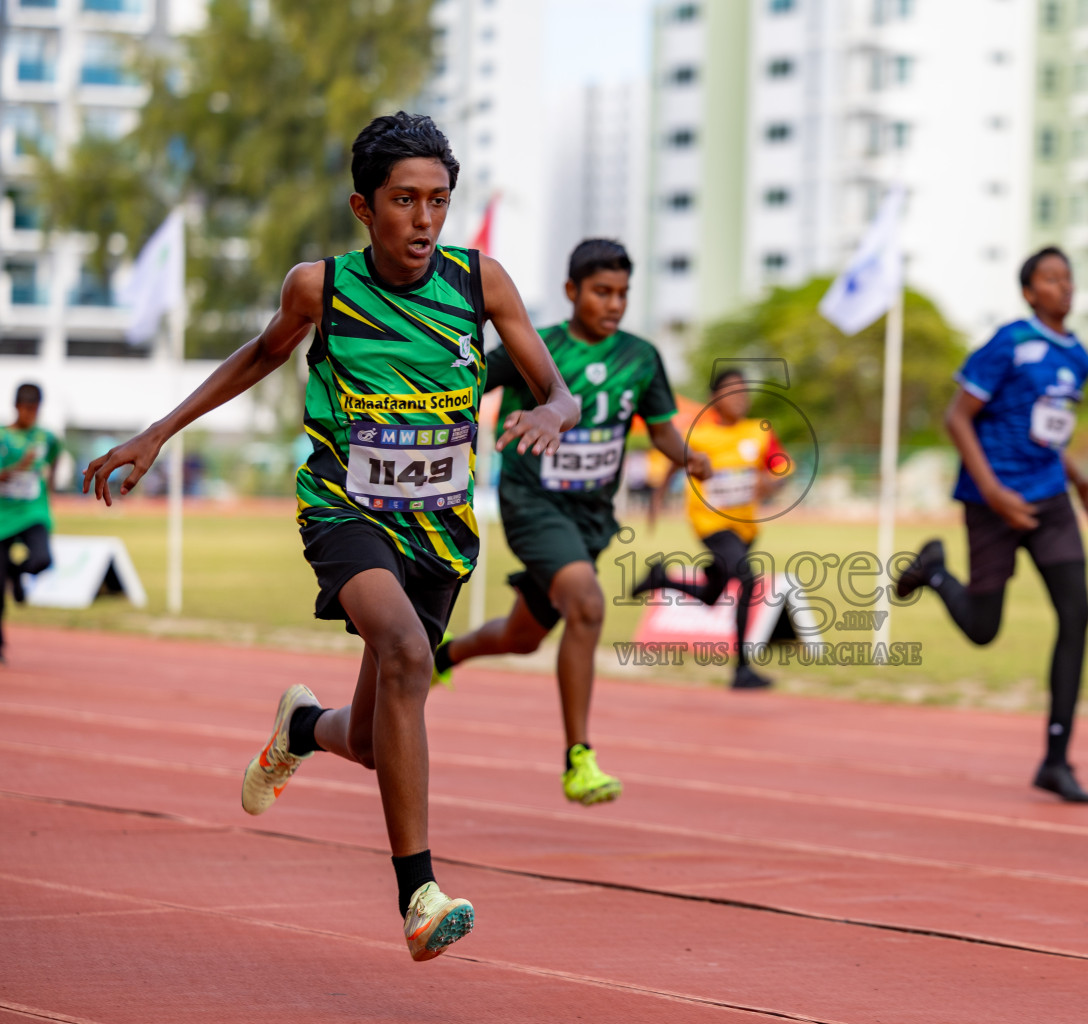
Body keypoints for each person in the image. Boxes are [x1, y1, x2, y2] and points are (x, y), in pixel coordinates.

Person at [81, 112, 579, 960]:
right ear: (363, 206)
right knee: (407, 656)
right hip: (344, 510)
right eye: (403, 201)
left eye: (438, 201)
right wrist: (160, 432)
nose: (423, 220)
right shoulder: (323, 288)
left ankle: (306, 727)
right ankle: (418, 896)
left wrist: (555, 409)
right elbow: (258, 355)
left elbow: (552, 385)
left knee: (381, 744)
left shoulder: (480, 283)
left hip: (440, 529)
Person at [432, 238, 709, 805]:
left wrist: (688, 457)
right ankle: (578, 759)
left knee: (524, 637)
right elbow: (460, 388)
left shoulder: (640, 357)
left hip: (590, 515)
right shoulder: (537, 348)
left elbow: (659, 430)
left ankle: (445, 655)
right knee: (586, 603)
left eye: (623, 294)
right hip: (532, 501)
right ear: (571, 292)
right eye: (601, 292)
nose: (614, 303)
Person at [895, 247, 1088, 804]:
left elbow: (1051, 431)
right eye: (1050, 278)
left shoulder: (1079, 356)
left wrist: (1078, 479)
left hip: (1049, 499)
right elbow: (956, 417)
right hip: (992, 499)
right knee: (984, 630)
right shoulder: (1009, 342)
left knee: (1077, 614)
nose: (1064, 286)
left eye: (1068, 276)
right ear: (1030, 292)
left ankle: (1056, 760)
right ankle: (936, 573)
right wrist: (992, 492)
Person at [632, 366, 792, 690]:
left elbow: (780, 467)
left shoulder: (759, 432)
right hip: (710, 522)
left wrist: (772, 483)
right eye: (731, 392)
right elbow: (673, 464)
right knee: (746, 578)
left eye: (743, 392)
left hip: (745, 527)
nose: (739, 399)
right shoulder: (699, 434)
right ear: (714, 398)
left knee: (712, 594)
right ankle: (742, 669)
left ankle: (661, 579)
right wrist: (657, 500)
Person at [0, 383, 61, 660]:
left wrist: (50, 486)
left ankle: (17, 572)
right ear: (16, 407)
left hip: (33, 512)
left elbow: (54, 457)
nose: (31, 415)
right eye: (27, 409)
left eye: (35, 410)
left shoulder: (45, 437)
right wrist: (17, 468)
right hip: (2, 515)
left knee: (42, 559)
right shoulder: (3, 438)